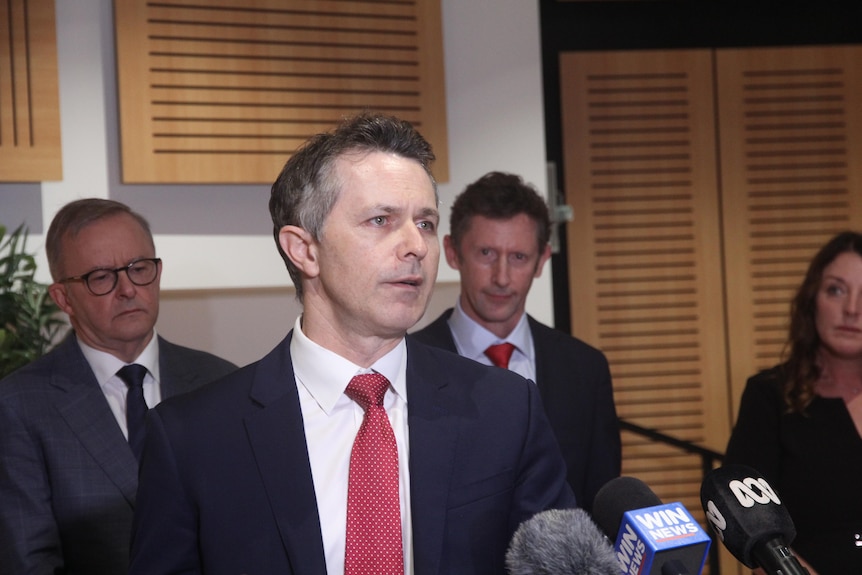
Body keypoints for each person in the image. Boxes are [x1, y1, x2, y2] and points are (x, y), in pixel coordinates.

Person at [128, 113, 575, 575]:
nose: (416, 247)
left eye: (424, 223)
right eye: (381, 220)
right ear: (304, 250)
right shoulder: (192, 438)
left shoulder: (506, 409)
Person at [0, 199, 237, 575]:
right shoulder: (19, 406)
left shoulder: (221, 382)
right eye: (101, 276)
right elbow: (30, 563)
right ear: (63, 298)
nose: (127, 289)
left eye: (138, 268)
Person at [411, 171, 621, 512]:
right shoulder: (407, 364)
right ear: (452, 252)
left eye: (519, 257)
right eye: (486, 253)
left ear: (542, 261)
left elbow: (600, 504)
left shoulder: (585, 368)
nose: (502, 277)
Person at [724, 231, 862, 575]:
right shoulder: (768, 395)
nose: (852, 309)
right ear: (811, 299)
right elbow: (749, 527)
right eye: (836, 290)